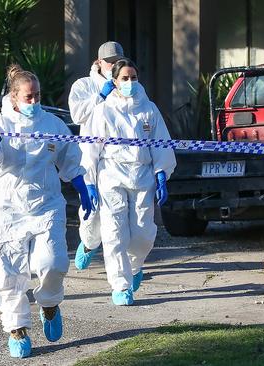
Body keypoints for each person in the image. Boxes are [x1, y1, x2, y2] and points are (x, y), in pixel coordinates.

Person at [0, 64, 93, 358]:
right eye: (29, 97)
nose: (34, 101)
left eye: (38, 95)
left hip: (46, 204)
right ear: (14, 97)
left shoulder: (52, 125)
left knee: (52, 262)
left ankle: (49, 304)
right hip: (8, 208)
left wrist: (82, 184)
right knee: (9, 273)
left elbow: (70, 157)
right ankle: (17, 328)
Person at [85, 58, 176, 306]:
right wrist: (89, 182)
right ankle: (120, 285)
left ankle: (135, 267)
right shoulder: (103, 110)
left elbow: (161, 143)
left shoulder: (149, 109)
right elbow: (90, 147)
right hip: (111, 175)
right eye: (124, 78)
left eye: (133, 78)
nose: (130, 82)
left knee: (143, 234)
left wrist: (161, 173)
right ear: (114, 81)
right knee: (114, 233)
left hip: (142, 175)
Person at [68, 41, 124, 271]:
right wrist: (100, 96)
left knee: (120, 214)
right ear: (99, 62)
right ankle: (90, 244)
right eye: (109, 62)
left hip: (120, 160)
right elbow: (77, 115)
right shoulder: (84, 85)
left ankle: (126, 265)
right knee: (92, 212)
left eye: (117, 61)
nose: (113, 66)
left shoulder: (127, 83)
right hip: (91, 156)